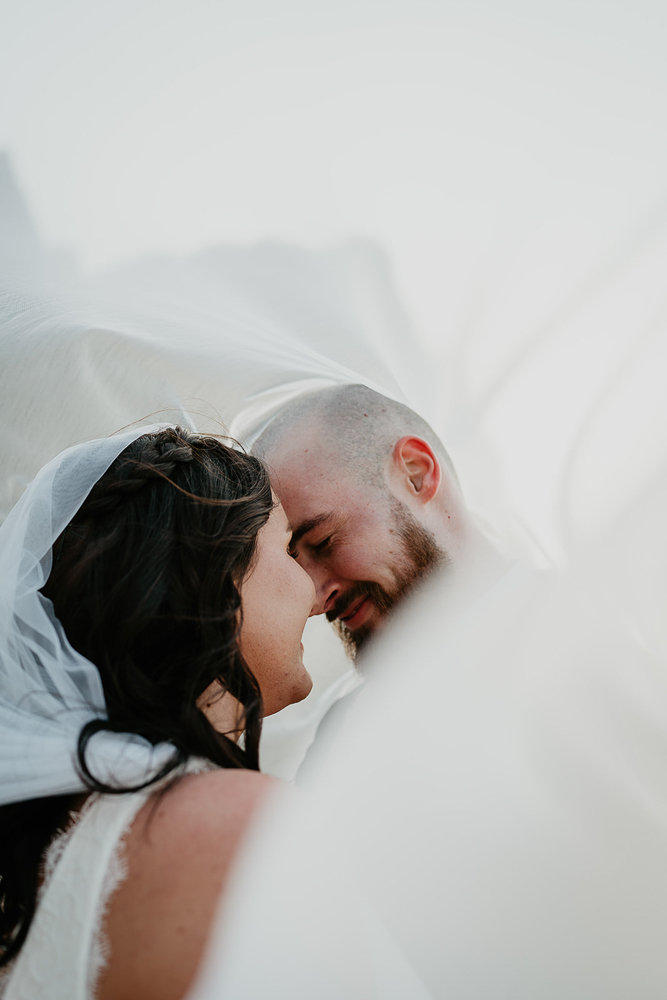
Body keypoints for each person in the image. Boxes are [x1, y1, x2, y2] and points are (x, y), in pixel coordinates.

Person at [0, 425, 317, 1000]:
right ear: (222, 574)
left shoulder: (35, 853)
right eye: (289, 548)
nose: (317, 594)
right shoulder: (242, 826)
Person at [253, 382, 507, 653]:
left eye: (322, 542)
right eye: (293, 563)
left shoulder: (555, 622)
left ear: (415, 474)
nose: (315, 602)